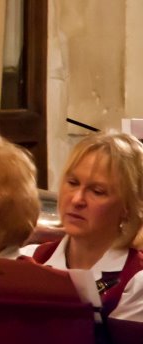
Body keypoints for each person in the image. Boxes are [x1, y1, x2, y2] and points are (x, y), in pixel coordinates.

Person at [23, 132, 143, 322]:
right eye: (72, 183)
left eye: (97, 191)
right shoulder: (28, 259)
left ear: (127, 208)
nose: (77, 199)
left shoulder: (137, 280)